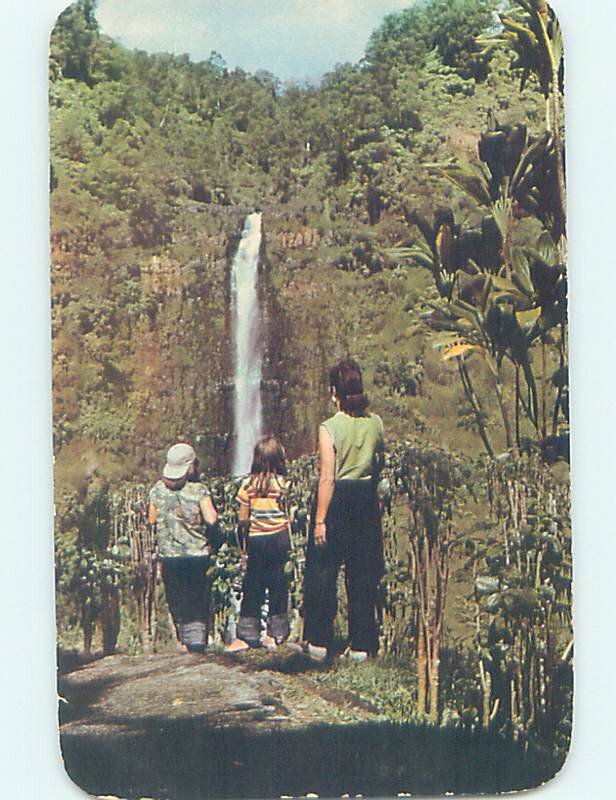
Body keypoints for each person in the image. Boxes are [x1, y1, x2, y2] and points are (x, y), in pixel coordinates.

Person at [302, 359, 385, 662]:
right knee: (363, 572)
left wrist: (320, 520)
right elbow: (380, 462)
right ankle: (362, 645)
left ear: (334, 391)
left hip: (336, 500)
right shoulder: (375, 423)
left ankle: (319, 642)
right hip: (365, 499)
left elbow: (327, 477)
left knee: (323, 572)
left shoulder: (329, 428)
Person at [148, 442, 220, 654]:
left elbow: (151, 519)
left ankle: (183, 639)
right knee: (197, 598)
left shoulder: (157, 490)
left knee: (177, 597)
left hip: (169, 556)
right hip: (197, 555)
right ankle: (196, 642)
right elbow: (212, 518)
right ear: (191, 466)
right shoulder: (199, 490)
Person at [227, 434, 292, 651]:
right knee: (278, 586)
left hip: (257, 540)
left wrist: (243, 537)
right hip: (279, 539)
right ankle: (276, 635)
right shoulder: (284, 484)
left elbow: (243, 518)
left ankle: (247, 635)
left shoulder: (248, 484)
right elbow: (289, 514)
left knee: (253, 586)